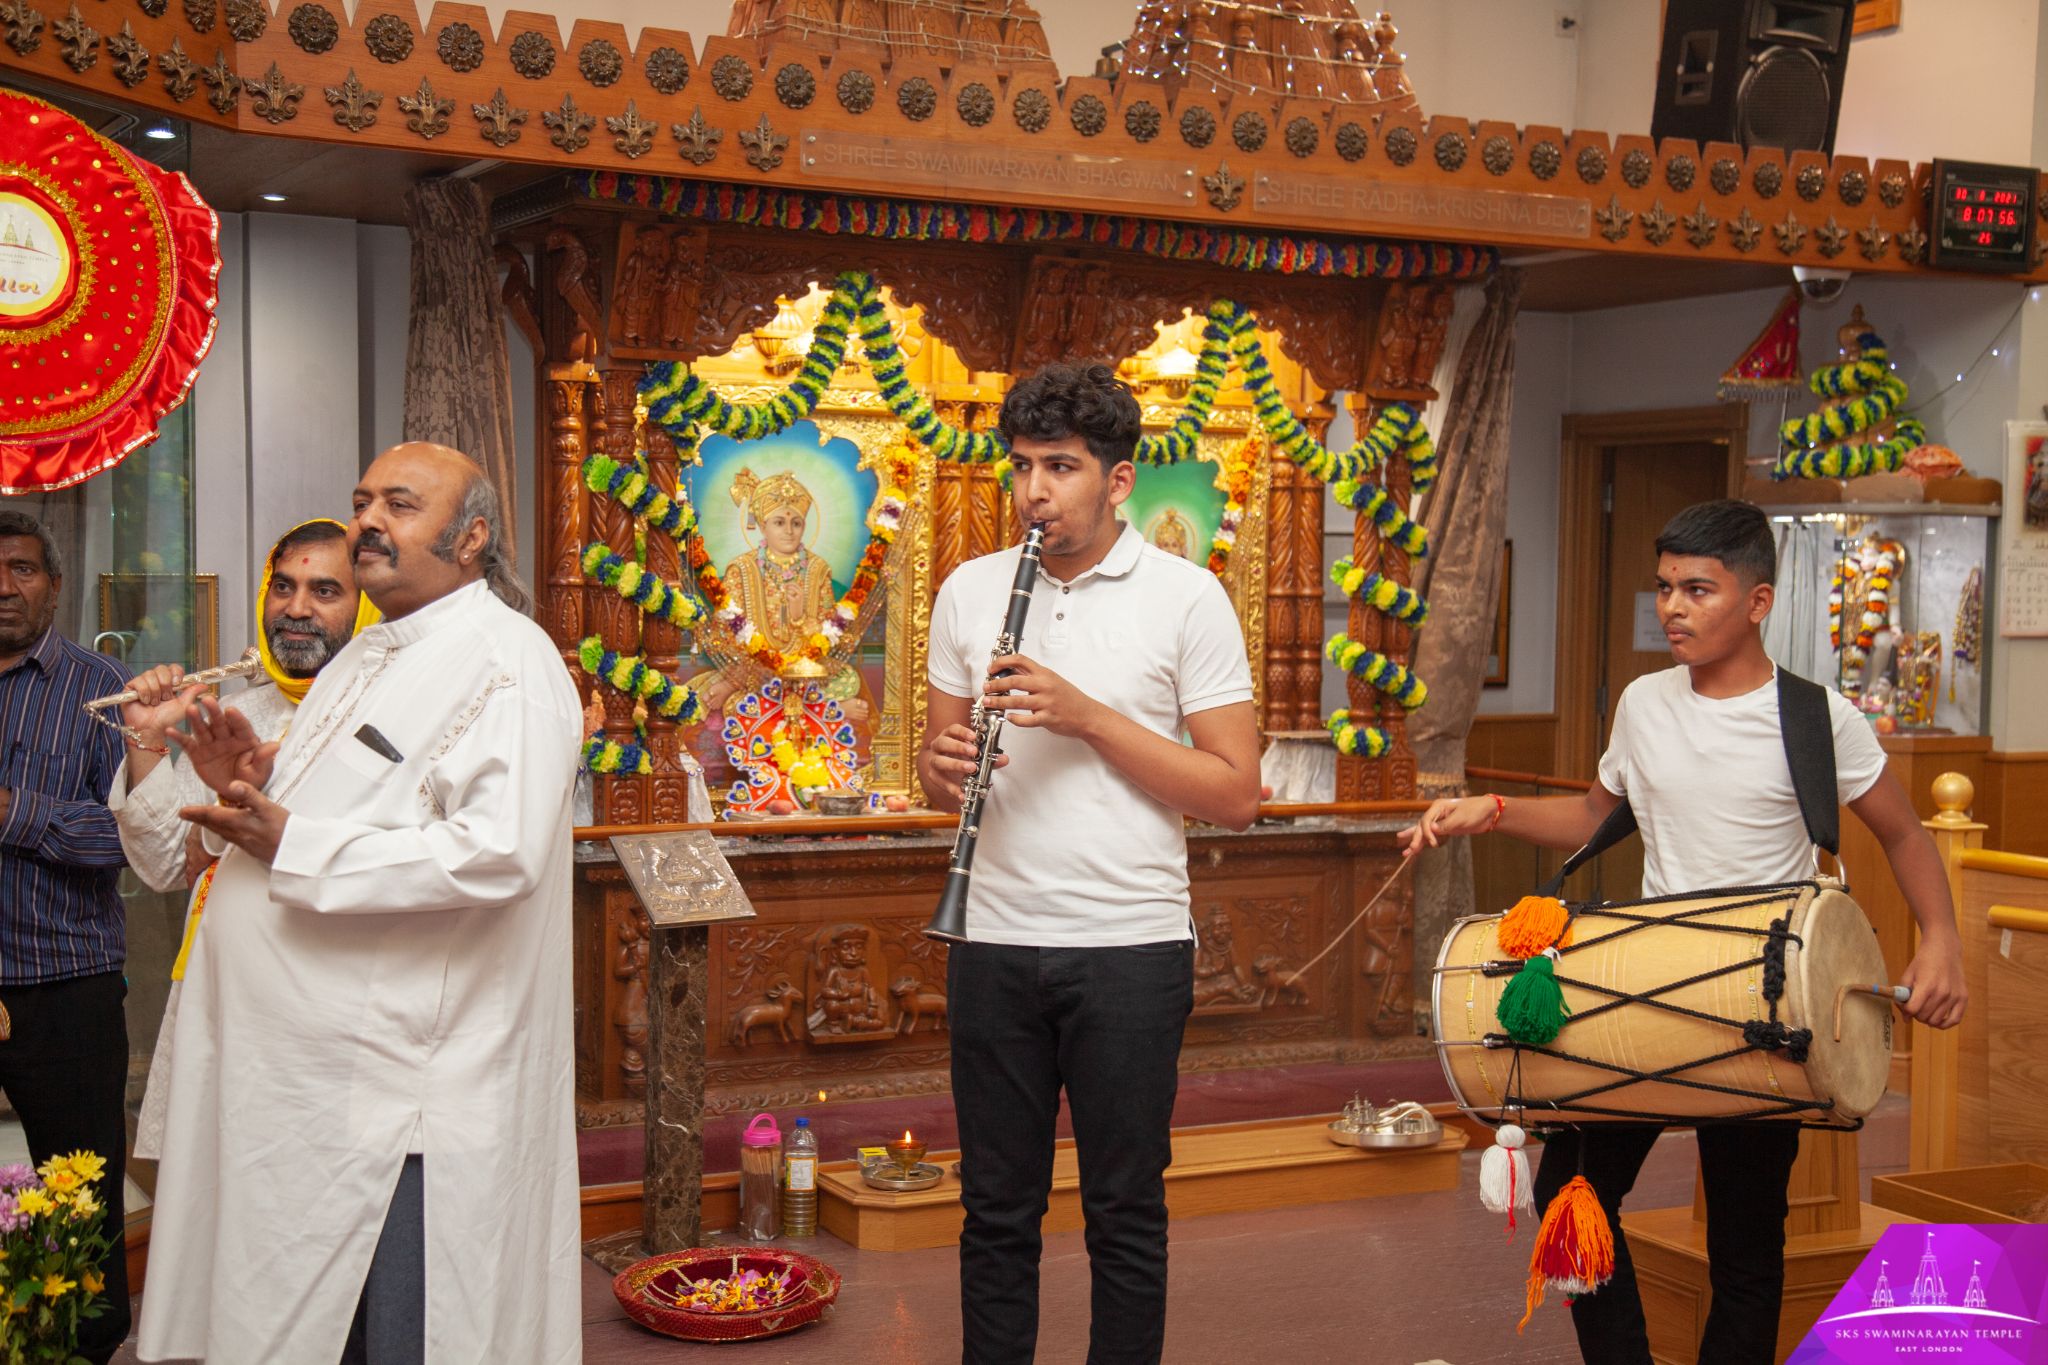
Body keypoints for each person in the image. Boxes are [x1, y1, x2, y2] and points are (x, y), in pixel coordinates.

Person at [1402, 499, 1967, 1365]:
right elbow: (1598, 812)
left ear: (1758, 600)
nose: (1672, 606)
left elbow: (1902, 832)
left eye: (1698, 588)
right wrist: (1497, 810)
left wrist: (1941, 939)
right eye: (1664, 586)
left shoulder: (1816, 718)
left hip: (1763, 997)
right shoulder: (1643, 702)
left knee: (1747, 1245)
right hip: (1644, 982)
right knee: (1571, 1193)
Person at [136, 445, 583, 1365]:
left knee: (398, 1332)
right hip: (302, 1089)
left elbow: (497, 852)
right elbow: (318, 816)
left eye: (402, 504)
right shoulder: (366, 654)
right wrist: (240, 788)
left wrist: (293, 840)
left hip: (404, 1101)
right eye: (362, 501)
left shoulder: (511, 662)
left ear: (473, 537)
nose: (368, 520)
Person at [917, 363, 1261, 1365]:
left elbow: (1234, 793)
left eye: (1060, 467)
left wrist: (1085, 717)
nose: (1033, 491)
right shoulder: (969, 590)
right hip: (988, 939)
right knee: (994, 1211)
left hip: (1127, 946)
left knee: (1121, 1209)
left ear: (1116, 481)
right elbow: (944, 775)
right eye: (1020, 466)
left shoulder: (1185, 598)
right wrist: (939, 770)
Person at [110, 518, 375, 1160]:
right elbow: (167, 865)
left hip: (331, 1014)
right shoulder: (241, 713)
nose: (297, 608)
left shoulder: (386, 716)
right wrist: (146, 738)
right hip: (222, 997)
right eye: (282, 586)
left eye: (325, 590)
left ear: (365, 603)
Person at [0, 509, 132, 1365]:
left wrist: (16, 812)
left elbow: (133, 834)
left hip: (64, 983)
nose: (3, 586)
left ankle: (83, 1348)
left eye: (20, 569)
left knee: (79, 1190)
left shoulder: (103, 688)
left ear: (54, 583)